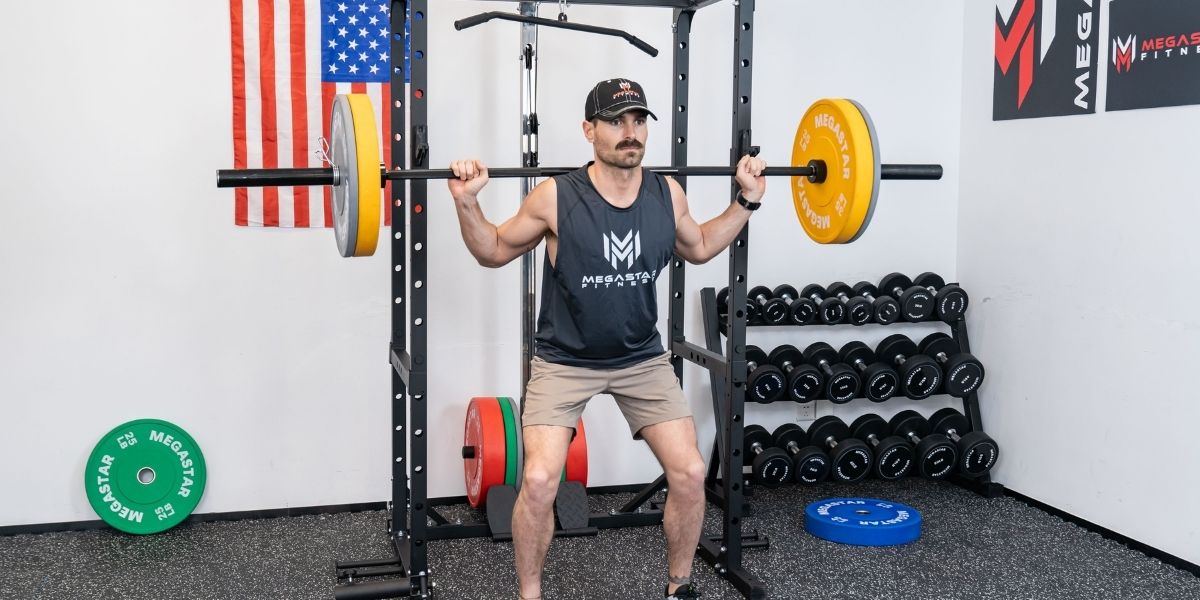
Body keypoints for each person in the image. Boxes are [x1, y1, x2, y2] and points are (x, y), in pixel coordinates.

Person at [447, 78, 766, 600]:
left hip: (641, 358)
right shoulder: (556, 196)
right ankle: (530, 594)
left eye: (638, 120)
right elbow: (495, 249)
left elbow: (703, 244)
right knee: (541, 482)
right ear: (588, 130)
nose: (629, 132)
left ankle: (679, 587)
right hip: (563, 361)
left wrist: (746, 201)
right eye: (616, 121)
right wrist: (466, 203)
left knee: (689, 472)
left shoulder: (667, 194)